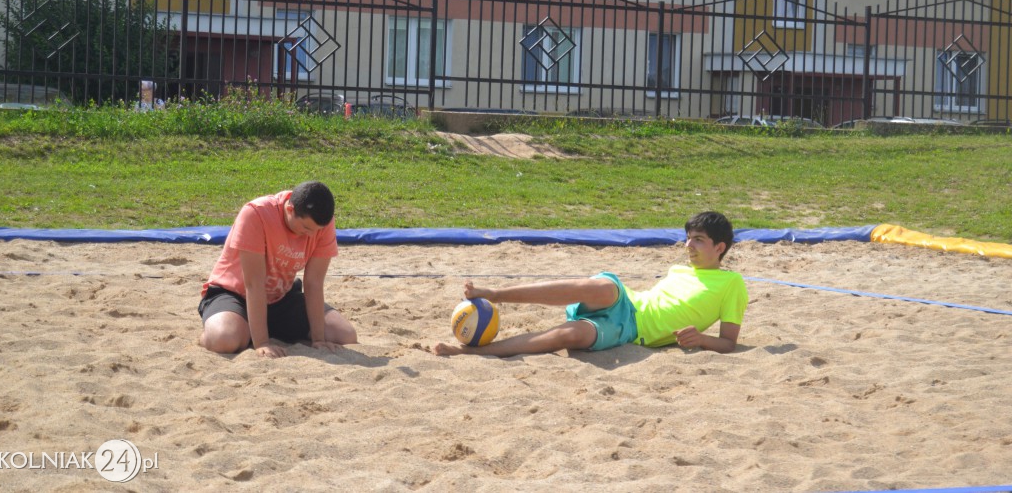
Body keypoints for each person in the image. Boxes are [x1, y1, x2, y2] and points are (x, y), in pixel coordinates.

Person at [433, 211, 747, 358]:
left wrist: (702, 339)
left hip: (631, 332)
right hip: (628, 302)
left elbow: (729, 343)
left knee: (574, 335)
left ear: (720, 247)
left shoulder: (731, 283)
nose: (688, 246)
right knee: (602, 286)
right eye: (688, 238)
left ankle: (474, 353)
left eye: (699, 241)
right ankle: (496, 294)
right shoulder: (679, 269)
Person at [198, 181, 357, 358]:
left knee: (344, 335)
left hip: (279, 297)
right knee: (224, 339)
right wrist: (262, 343)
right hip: (234, 293)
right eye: (306, 228)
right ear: (290, 209)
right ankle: (229, 330)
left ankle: (255, 330)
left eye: (316, 230)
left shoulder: (320, 224)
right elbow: (253, 283)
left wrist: (318, 339)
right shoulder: (256, 213)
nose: (312, 235)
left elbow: (314, 282)